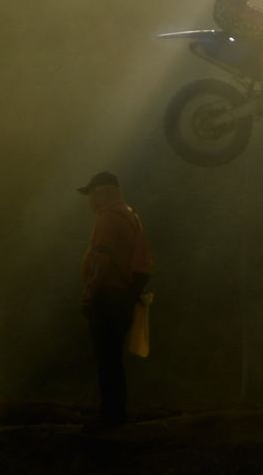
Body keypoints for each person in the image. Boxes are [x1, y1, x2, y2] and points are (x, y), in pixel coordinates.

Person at [78, 171, 153, 429]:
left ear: (104, 193)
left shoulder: (108, 218)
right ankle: (115, 411)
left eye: (92, 194)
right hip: (124, 295)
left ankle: (110, 414)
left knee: (106, 357)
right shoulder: (131, 216)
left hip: (107, 294)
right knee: (113, 357)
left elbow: (102, 256)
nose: (90, 200)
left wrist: (90, 291)